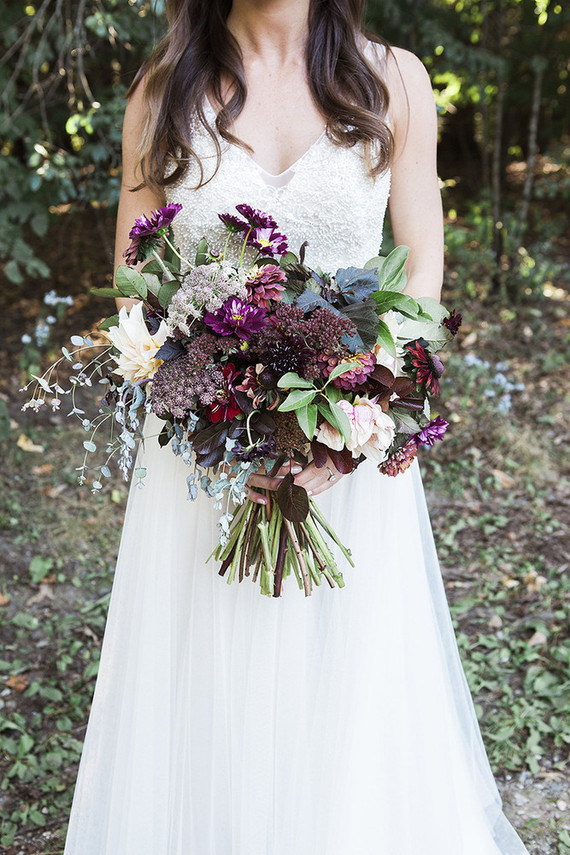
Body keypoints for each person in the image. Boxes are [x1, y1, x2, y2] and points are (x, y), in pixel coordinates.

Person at [63, 1, 530, 853]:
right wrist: (216, 399)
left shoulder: (395, 80)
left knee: (350, 687)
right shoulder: (163, 90)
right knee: (207, 677)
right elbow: (133, 275)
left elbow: (421, 263)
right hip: (207, 456)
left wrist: (355, 412)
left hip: (347, 433)